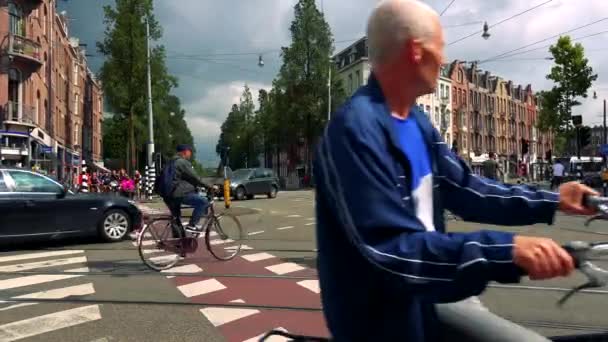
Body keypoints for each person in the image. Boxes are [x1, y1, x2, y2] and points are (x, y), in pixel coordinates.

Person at [312, 1, 598, 341]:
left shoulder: (416, 123)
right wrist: (506, 251)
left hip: (429, 296)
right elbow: (390, 252)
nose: (443, 60)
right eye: (440, 47)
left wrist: (553, 200)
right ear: (416, 52)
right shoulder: (355, 130)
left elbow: (467, 189)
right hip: (382, 321)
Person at [164, 144, 211, 232]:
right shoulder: (182, 162)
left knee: (176, 219)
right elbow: (195, 178)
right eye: (190, 152)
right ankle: (192, 225)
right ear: (185, 151)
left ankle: (177, 242)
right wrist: (209, 186)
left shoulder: (171, 161)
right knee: (203, 202)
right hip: (177, 194)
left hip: (167, 194)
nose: (190, 154)